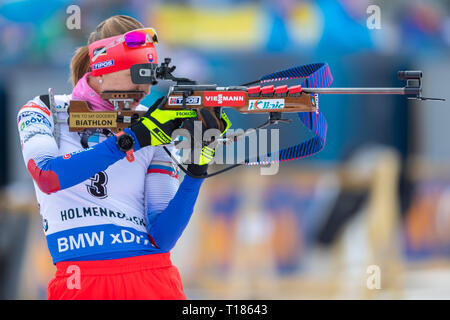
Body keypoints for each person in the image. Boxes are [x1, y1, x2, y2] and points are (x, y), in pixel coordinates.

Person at [17, 15, 229, 300]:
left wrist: (198, 164)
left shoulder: (150, 123)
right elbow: (48, 177)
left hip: (153, 278)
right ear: (101, 68)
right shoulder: (45, 109)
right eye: (137, 74)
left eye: (150, 76)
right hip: (81, 282)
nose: (144, 89)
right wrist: (132, 140)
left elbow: (162, 238)